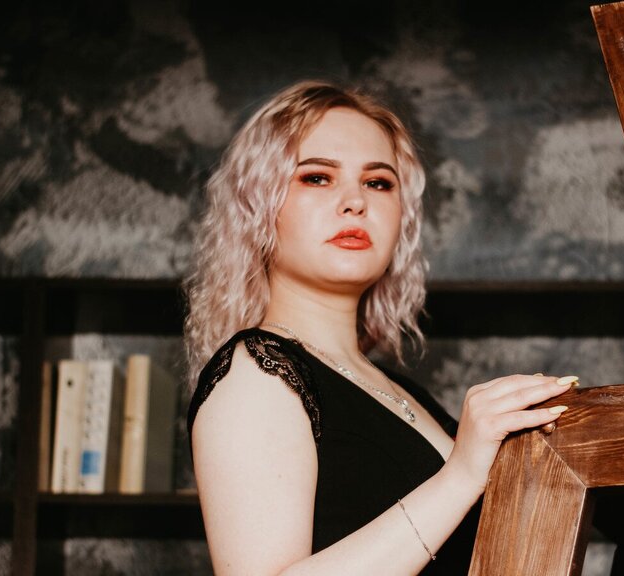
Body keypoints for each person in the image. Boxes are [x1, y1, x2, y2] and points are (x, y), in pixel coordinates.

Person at [184, 80, 576, 575]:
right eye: (317, 178)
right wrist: (460, 475)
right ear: (257, 204)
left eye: (378, 183)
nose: (355, 202)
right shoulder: (256, 373)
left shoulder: (402, 392)